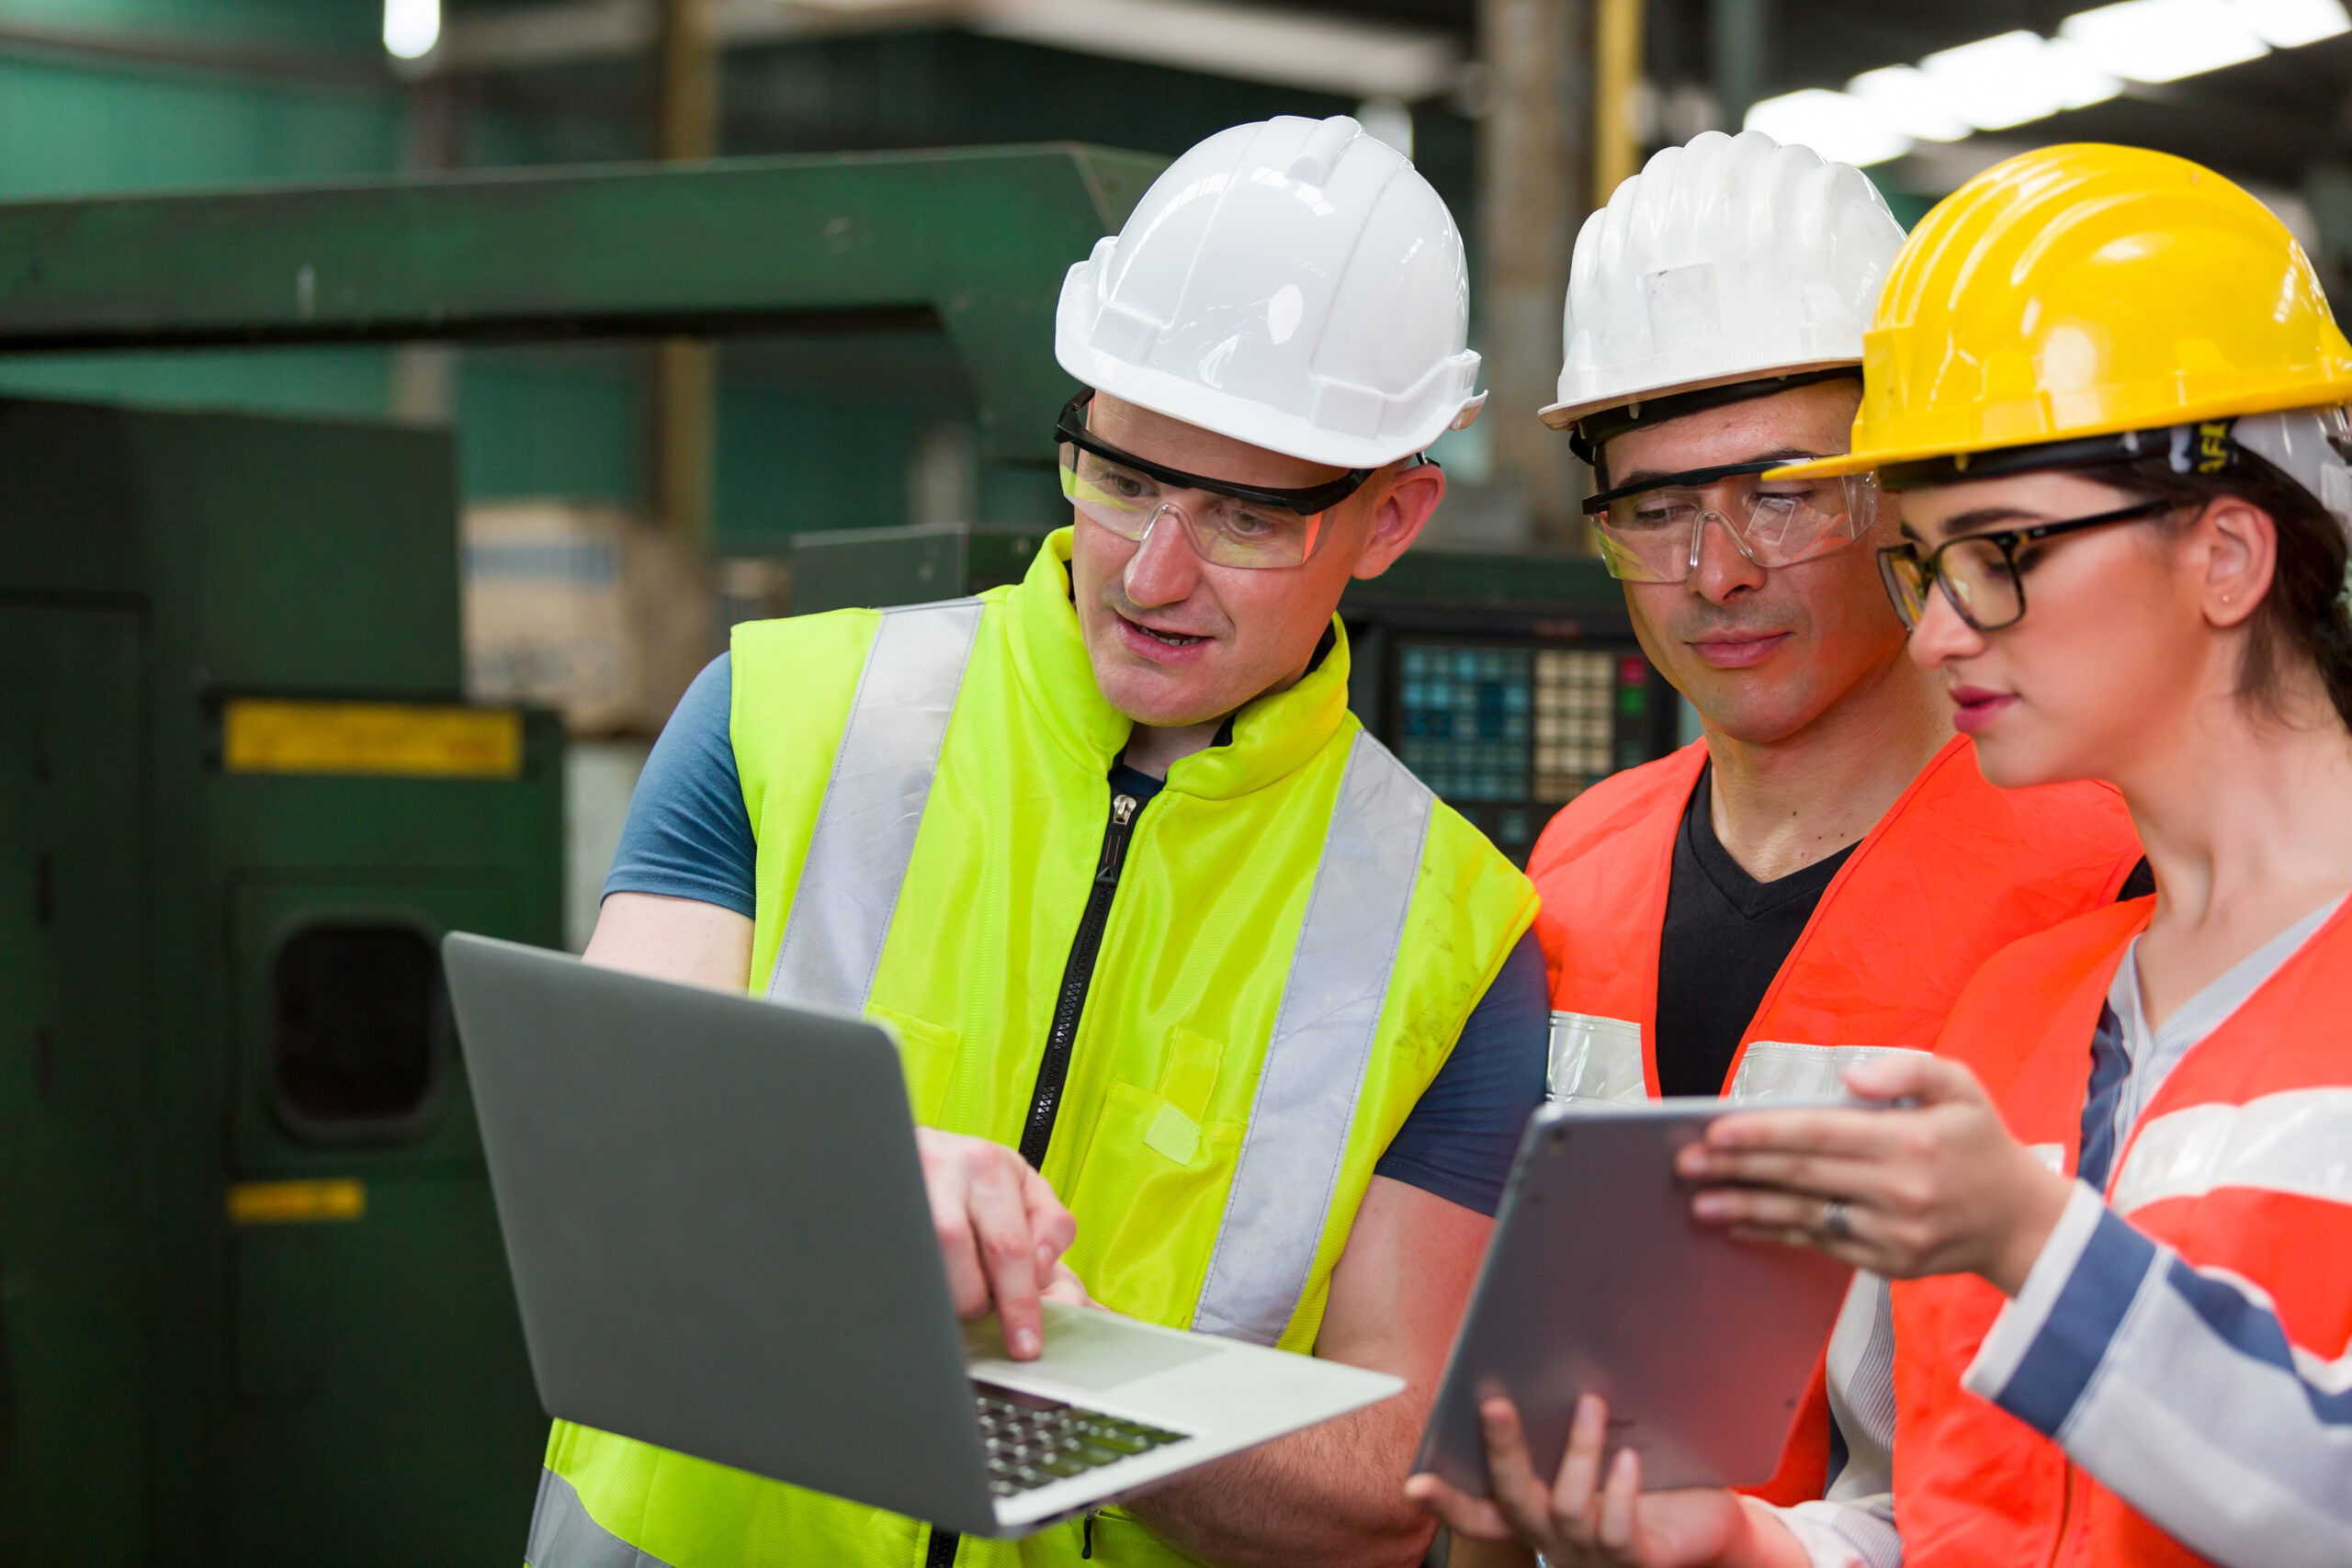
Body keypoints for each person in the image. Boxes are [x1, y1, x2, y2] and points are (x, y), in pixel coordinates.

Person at [531, 115, 1547, 1568]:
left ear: (1392, 516)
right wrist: (864, 1207)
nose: (1154, 569)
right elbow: (597, 1177)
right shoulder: (779, 717)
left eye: (1245, 518)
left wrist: (1022, 1363)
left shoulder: (1451, 935)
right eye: (1122, 477)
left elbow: (1391, 1490)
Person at [1431, 143, 2352, 1566]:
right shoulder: (2049, 1015)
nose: (1718, 571)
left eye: (1999, 551)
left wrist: (2030, 1244)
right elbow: (1978, 1518)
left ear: (2228, 554)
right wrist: (1749, 1550)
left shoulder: (2088, 904)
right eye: (1656, 512)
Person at [1499, 130, 2146, 1553]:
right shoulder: (1575, 873)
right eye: (1656, 511)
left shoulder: (2109, 876)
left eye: (1783, 493)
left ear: (1902, 491)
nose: (1717, 571)